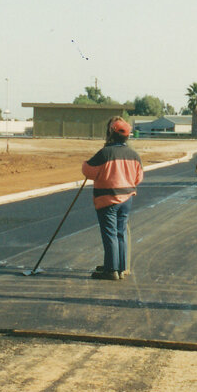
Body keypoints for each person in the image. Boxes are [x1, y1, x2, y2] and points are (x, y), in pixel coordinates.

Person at [81, 117, 143, 280]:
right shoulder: (134, 155)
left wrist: (84, 164)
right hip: (126, 199)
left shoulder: (105, 153)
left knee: (110, 234)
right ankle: (120, 268)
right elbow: (138, 178)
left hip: (108, 199)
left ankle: (111, 269)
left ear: (111, 133)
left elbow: (89, 171)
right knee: (120, 232)